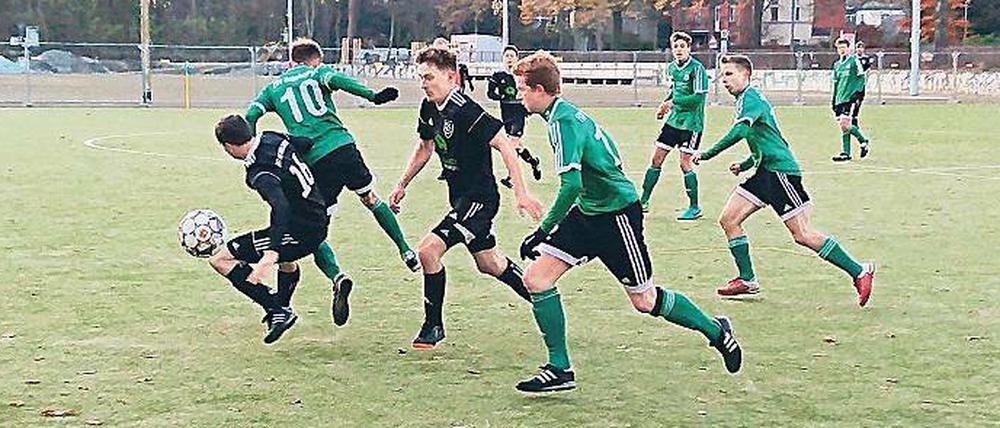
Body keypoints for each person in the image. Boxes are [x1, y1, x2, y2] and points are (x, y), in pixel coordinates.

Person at [513, 51, 742, 393]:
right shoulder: (560, 116)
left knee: (645, 301)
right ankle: (559, 367)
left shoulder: (562, 121)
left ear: (540, 90)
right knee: (536, 279)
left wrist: (544, 229)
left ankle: (716, 331)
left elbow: (571, 184)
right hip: (589, 211)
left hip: (616, 215)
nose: (519, 96)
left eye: (522, 89)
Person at [245, 38, 417, 327]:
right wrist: (372, 96)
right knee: (371, 198)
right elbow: (337, 79)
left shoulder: (274, 87)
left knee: (314, 226)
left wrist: (253, 151)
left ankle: (337, 276)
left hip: (313, 161)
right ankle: (406, 250)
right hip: (343, 146)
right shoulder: (318, 73)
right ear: (316, 59)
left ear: (292, 61)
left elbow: (251, 114)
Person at [388, 46, 544, 350]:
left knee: (427, 251)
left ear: (451, 76)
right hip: (460, 198)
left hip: (480, 200)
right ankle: (542, 298)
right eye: (420, 77)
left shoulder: (465, 109)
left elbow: (505, 144)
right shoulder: (429, 107)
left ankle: (433, 326)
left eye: (429, 77)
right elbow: (425, 148)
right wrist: (402, 183)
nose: (423, 83)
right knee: (489, 263)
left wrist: (521, 192)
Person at [695, 55, 875, 306]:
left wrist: (706, 154)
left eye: (729, 74)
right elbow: (762, 139)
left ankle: (859, 270)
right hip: (764, 172)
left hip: (780, 173)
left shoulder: (751, 98)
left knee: (802, 234)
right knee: (729, 219)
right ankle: (747, 279)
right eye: (722, 75)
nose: (724, 80)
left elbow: (740, 132)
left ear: (746, 75)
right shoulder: (744, 101)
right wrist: (746, 164)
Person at [208, 115, 330, 344]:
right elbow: (305, 143)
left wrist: (270, 253)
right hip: (317, 218)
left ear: (228, 146)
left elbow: (280, 207)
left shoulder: (259, 173)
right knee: (287, 258)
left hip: (301, 232)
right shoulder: (272, 137)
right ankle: (282, 307)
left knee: (221, 260)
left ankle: (276, 309)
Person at [639, 32, 709, 220]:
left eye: (682, 46)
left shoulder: (697, 69)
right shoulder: (671, 68)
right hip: (673, 122)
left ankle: (694, 207)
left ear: (689, 48)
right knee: (656, 159)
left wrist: (672, 102)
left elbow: (698, 98)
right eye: (675, 46)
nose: (678, 50)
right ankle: (643, 201)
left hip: (691, 124)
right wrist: (665, 104)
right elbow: (673, 92)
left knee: (685, 163)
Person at [487, 45, 543, 188]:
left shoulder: (522, 75)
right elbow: (490, 94)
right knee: (516, 145)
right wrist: (501, 95)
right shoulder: (498, 76)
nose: (509, 59)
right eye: (507, 56)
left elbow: (532, 91)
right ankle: (533, 162)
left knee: (511, 143)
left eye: (512, 56)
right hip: (506, 112)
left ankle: (511, 177)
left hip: (519, 112)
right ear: (503, 58)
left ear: (517, 58)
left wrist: (528, 106)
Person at [830, 38, 871, 162]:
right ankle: (846, 153)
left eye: (844, 47)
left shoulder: (854, 61)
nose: (842, 50)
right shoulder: (837, 65)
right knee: (844, 127)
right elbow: (836, 83)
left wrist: (858, 94)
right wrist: (833, 100)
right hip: (839, 99)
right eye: (839, 48)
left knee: (845, 124)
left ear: (848, 48)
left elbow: (861, 77)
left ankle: (863, 141)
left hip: (850, 98)